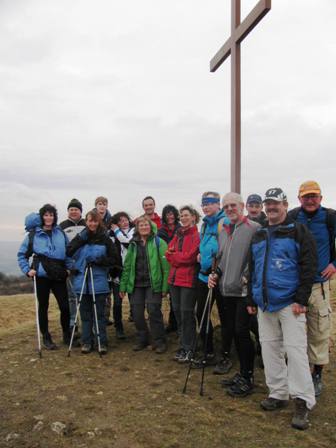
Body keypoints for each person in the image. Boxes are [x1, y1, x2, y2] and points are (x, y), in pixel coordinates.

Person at [247, 188, 317, 430]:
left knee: (295, 351)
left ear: (285, 205)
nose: (271, 208)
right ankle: (277, 392)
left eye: (275, 203)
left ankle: (302, 401)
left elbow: (309, 265)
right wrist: (250, 299)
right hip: (264, 303)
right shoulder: (259, 234)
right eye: (268, 204)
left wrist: (301, 298)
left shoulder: (298, 231)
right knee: (269, 348)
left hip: (290, 302)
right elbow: (253, 267)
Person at [208, 193, 260, 397]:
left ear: (242, 206)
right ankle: (242, 374)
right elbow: (221, 261)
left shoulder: (254, 229)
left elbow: (257, 258)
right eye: (226, 206)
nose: (229, 209)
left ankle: (248, 377)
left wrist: (248, 276)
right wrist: (215, 274)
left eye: (233, 205)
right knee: (234, 331)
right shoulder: (223, 231)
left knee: (241, 332)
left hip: (244, 292)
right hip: (226, 290)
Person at [288, 180, 336, 397]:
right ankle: (296, 370)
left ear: (321, 198)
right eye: (306, 196)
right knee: (292, 330)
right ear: (299, 198)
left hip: (318, 284)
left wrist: (334, 264)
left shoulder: (330, 217)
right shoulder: (292, 216)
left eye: (313, 196)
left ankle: (317, 374)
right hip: (294, 284)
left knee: (318, 331)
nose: (310, 200)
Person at [17, 204, 72, 350]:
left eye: (51, 215)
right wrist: (27, 270)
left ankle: (67, 335)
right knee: (43, 307)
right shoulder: (33, 235)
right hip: (41, 276)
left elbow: (68, 253)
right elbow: (22, 255)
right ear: (42, 217)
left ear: (54, 217)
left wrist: (69, 268)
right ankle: (46, 337)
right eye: (46, 215)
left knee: (65, 307)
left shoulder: (60, 233)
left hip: (59, 274)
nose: (49, 217)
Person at [66, 210, 120, 354]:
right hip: (82, 282)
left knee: (99, 315)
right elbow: (69, 251)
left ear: (99, 222)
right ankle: (86, 342)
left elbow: (114, 258)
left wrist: (101, 261)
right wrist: (81, 240)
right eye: (90, 220)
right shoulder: (81, 237)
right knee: (85, 315)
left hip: (99, 282)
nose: (92, 223)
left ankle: (101, 342)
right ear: (86, 221)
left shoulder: (105, 238)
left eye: (95, 221)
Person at [119, 215, 169, 353]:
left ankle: (159, 341)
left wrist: (165, 286)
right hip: (136, 285)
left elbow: (166, 267)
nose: (144, 227)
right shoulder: (133, 245)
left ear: (151, 226)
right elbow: (127, 266)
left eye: (146, 225)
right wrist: (123, 286)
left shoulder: (159, 242)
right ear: (137, 228)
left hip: (153, 284)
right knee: (136, 314)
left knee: (154, 311)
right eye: (141, 225)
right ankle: (143, 338)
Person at [193, 191, 227, 370]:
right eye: (203, 204)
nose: (206, 207)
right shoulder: (204, 225)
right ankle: (209, 351)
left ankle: (226, 353)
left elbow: (228, 248)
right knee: (201, 313)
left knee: (225, 315)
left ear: (218, 204)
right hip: (203, 275)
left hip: (220, 277)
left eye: (209, 203)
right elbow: (204, 245)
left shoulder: (225, 222)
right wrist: (201, 253)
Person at [166, 205, 200, 363]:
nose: (183, 218)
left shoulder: (196, 236)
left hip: (187, 280)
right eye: (182, 215)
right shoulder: (178, 234)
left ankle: (190, 348)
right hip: (174, 280)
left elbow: (191, 257)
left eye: (186, 215)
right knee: (178, 314)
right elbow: (168, 253)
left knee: (187, 315)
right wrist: (177, 257)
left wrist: (176, 258)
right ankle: (183, 345)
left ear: (193, 217)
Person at [59, 198, 86, 335]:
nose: (73, 211)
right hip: (69, 266)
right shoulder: (62, 226)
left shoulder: (87, 223)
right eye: (71, 209)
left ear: (81, 211)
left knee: (85, 295)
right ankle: (73, 323)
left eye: (76, 209)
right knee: (71, 297)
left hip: (85, 266)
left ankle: (88, 323)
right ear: (68, 211)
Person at [108, 211, 136, 339]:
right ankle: (118, 327)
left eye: (125, 219)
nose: (123, 222)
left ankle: (138, 326)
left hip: (131, 272)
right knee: (117, 302)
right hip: (117, 272)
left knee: (134, 302)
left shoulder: (134, 231)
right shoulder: (111, 234)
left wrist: (117, 231)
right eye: (120, 221)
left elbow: (128, 243)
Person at [158, 204, 181, 333]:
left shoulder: (180, 229)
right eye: (167, 214)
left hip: (178, 265)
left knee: (175, 298)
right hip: (165, 265)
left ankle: (176, 323)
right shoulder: (161, 232)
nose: (170, 216)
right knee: (167, 296)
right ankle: (170, 324)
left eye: (172, 214)